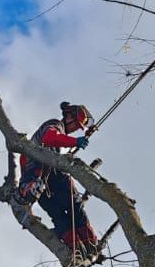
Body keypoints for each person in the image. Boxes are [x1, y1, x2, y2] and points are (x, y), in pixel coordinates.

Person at [16, 102, 99, 256]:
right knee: (76, 208)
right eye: (75, 125)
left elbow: (25, 159)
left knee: (59, 215)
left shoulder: (33, 144)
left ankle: (76, 246)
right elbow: (50, 137)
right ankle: (89, 242)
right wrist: (75, 141)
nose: (74, 129)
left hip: (39, 187)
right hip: (51, 178)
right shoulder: (54, 124)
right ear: (68, 116)